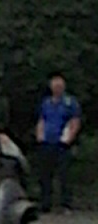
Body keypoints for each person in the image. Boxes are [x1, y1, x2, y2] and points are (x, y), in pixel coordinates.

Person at [36, 73, 82, 212]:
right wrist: (40, 135)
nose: (57, 89)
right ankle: (45, 203)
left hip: (62, 143)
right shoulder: (46, 102)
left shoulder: (70, 102)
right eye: (55, 86)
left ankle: (66, 203)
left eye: (60, 86)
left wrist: (69, 138)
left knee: (64, 174)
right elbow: (42, 119)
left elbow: (75, 121)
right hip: (47, 142)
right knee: (45, 174)